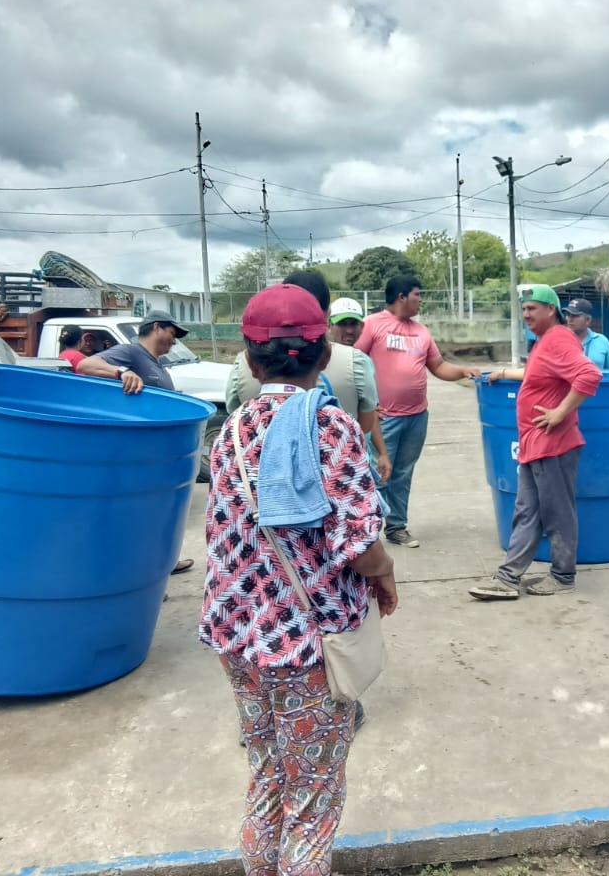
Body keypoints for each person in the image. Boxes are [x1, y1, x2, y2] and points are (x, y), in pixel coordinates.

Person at [200, 282, 398, 876]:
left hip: (238, 636)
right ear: (323, 353)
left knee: (266, 774)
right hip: (306, 645)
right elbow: (358, 543)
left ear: (249, 358)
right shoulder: (329, 427)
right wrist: (386, 575)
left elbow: (222, 533)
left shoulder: (230, 432)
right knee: (311, 799)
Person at [469, 285, 601, 599]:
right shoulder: (544, 342)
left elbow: (589, 375)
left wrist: (560, 412)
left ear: (551, 310)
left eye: (532, 308)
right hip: (536, 445)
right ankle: (508, 579)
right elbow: (534, 374)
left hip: (554, 445)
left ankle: (563, 576)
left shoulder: (557, 339)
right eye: (524, 309)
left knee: (557, 513)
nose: (526, 314)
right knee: (526, 511)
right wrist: (502, 372)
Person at [355, 275, 483, 548]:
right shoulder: (372, 324)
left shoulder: (421, 332)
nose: (421, 300)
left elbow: (438, 366)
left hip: (416, 416)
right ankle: (367, 533)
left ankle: (397, 527)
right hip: (383, 418)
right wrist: (364, 404)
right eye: (417, 294)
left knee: (403, 473)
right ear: (401, 296)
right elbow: (354, 362)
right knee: (379, 474)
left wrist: (463, 371)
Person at [227, 275, 392, 484]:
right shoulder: (343, 426)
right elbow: (366, 425)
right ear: (324, 357)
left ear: (251, 363)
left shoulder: (231, 429)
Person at [77, 310, 195, 574]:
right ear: (156, 327)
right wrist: (120, 372)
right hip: (138, 453)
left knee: (158, 511)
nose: (174, 341)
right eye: (172, 333)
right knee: (141, 513)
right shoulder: (131, 353)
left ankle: (163, 561)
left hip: (159, 453)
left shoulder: (157, 364)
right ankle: (143, 572)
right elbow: (85, 366)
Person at [563, 299, 609, 370]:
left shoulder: (602, 341)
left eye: (575, 315)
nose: (570, 319)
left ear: (588, 320)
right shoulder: (560, 341)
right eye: (568, 315)